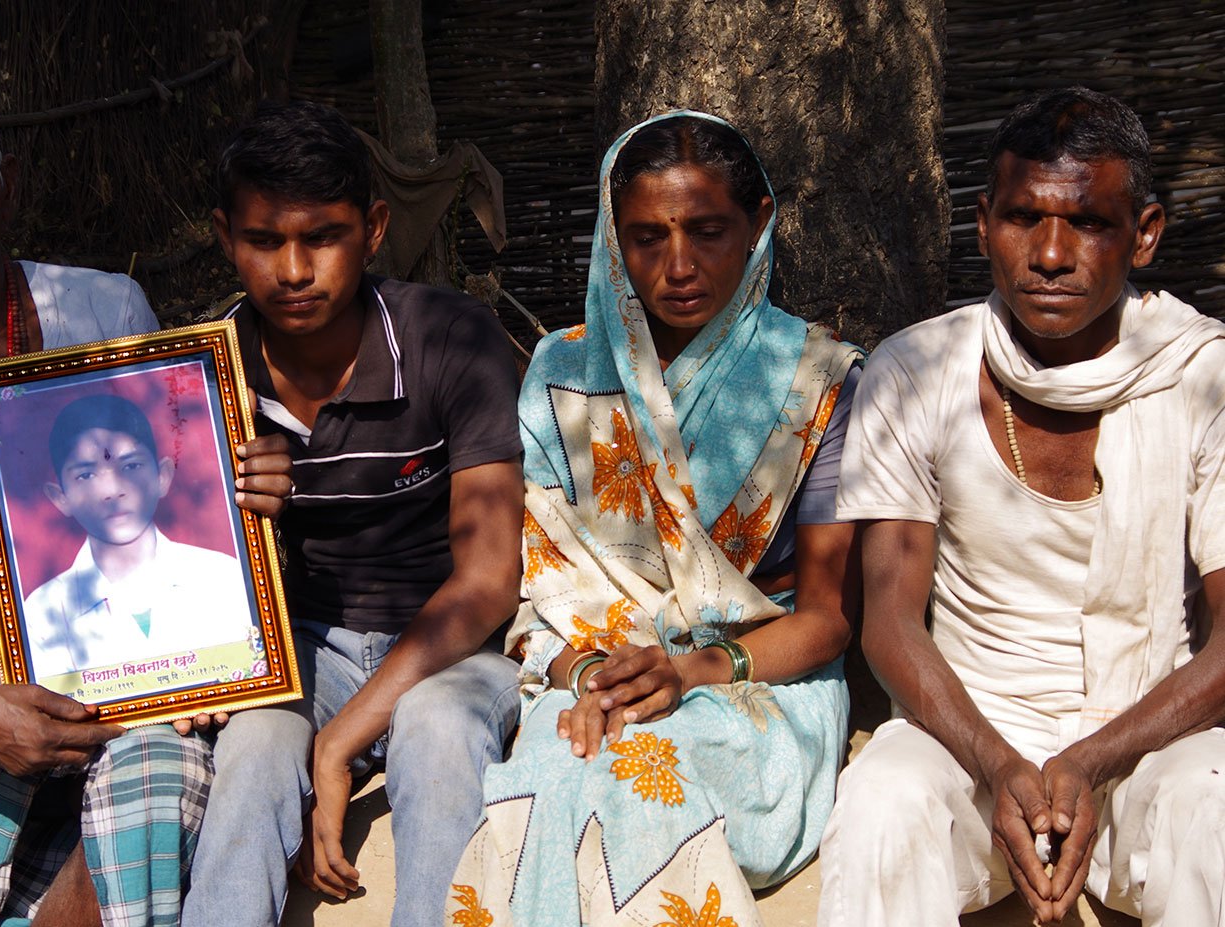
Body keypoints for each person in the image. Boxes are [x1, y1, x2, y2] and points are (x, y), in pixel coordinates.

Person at [0, 57, 290, 927]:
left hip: (117, 709)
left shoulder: (103, 307)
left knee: (162, 773)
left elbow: (193, 501)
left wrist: (244, 489)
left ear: (8, 181)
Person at [817, 87, 1225, 927]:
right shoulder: (916, 370)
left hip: (1151, 738)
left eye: (1087, 223)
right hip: (973, 737)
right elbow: (889, 619)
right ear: (982, 224)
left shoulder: (1202, 375)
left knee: (1216, 810)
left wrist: (1097, 755)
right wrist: (1000, 764)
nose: (1048, 252)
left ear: (1145, 233)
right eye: (1022, 217)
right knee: (880, 807)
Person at [447, 111, 862, 927]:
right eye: (645, 238)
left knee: (635, 773)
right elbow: (542, 596)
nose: (678, 266)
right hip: (588, 679)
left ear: (759, 226)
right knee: (554, 776)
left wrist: (690, 672)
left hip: (756, 686)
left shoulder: (814, 381)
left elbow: (826, 618)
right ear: (613, 241)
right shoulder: (562, 374)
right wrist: (592, 679)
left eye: (708, 231)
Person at [180, 100, 525, 927]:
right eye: (264, 241)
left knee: (439, 733)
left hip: (458, 646)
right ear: (226, 236)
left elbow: (488, 579)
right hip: (306, 649)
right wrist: (228, 516)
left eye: (322, 236)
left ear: (372, 230)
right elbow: (180, 576)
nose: (294, 270)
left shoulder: (448, 337)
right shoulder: (199, 375)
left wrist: (337, 746)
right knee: (256, 749)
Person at [24, 394, 253, 680]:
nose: (111, 489)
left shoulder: (222, 576)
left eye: (130, 466)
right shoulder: (43, 610)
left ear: (163, 476)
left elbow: (248, 673)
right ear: (60, 498)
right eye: (86, 475)